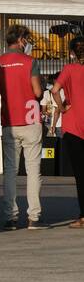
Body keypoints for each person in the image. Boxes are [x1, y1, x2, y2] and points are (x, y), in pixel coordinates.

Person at [0, 25, 46, 229]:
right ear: (21, 39)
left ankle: (10, 216)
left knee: (10, 171)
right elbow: (38, 92)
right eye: (27, 39)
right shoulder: (31, 61)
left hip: (9, 121)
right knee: (33, 170)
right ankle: (34, 216)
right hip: (30, 119)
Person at [51, 38, 84, 229]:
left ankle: (83, 216)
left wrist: (63, 108)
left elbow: (55, 90)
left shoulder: (69, 69)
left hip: (73, 125)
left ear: (72, 52)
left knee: (81, 174)